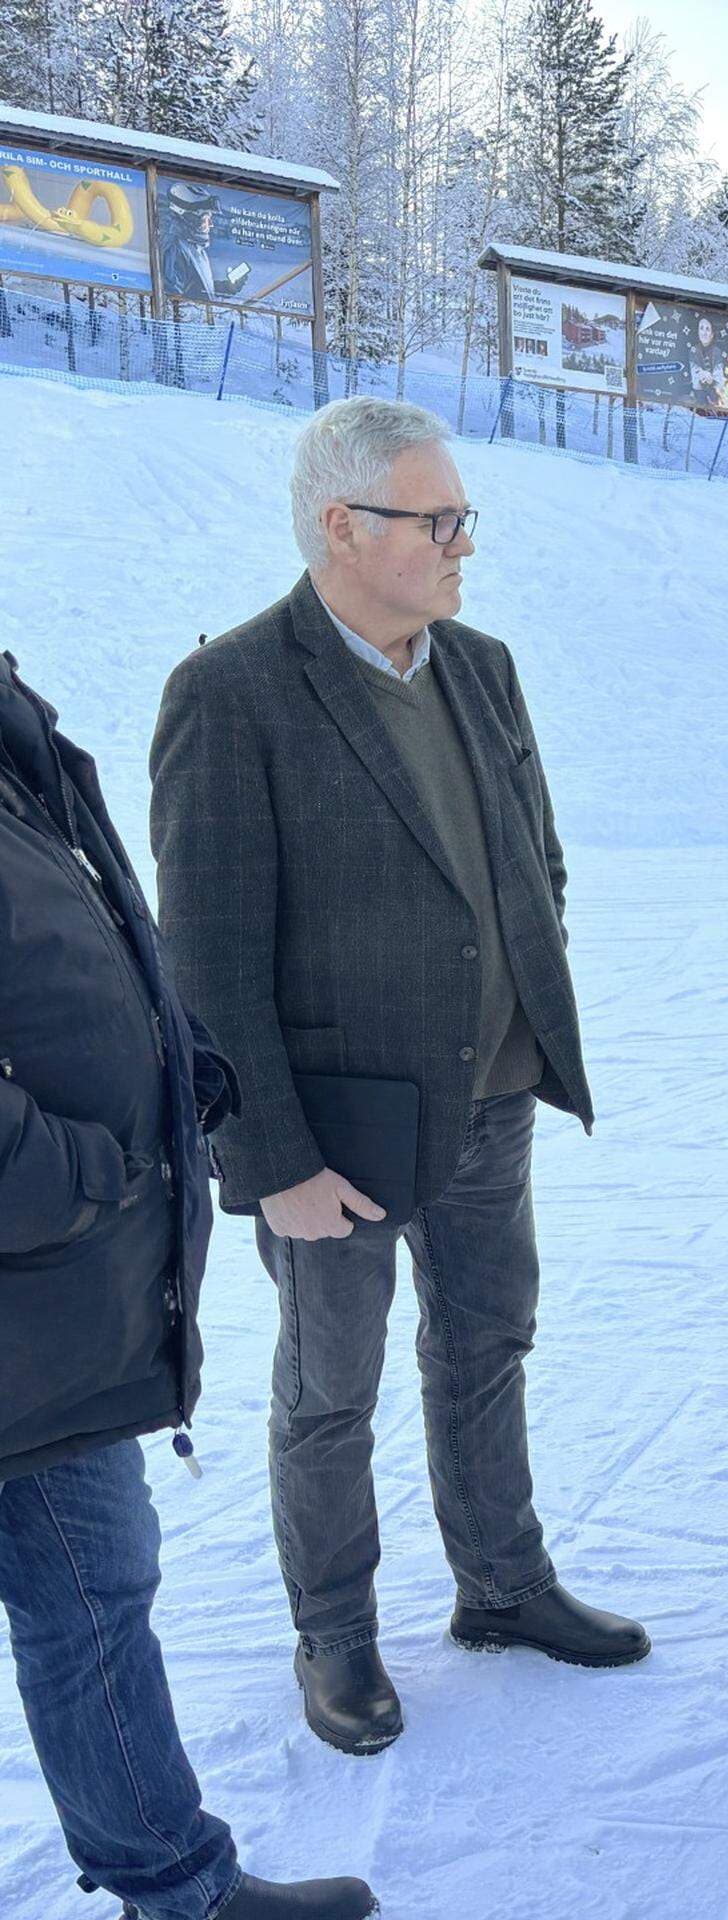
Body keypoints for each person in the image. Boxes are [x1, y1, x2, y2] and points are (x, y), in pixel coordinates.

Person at [148, 398, 646, 1760]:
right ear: (339, 527)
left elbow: (532, 858)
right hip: (337, 1136)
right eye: (435, 520)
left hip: (490, 1100)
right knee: (332, 1391)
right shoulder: (233, 692)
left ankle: (501, 1583)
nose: (459, 542)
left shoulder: (481, 667)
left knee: (488, 1347)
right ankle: (337, 1634)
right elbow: (208, 960)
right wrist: (270, 1165)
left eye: (458, 517)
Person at [0, 650, 375, 1918]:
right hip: (32, 1281)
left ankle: (177, 1888)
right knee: (90, 1592)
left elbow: (98, 935)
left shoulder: (19, 730)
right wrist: (85, 1175)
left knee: (93, 1596)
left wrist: (181, 1062)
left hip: (54, 1299)